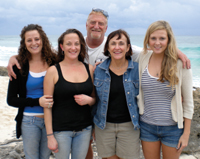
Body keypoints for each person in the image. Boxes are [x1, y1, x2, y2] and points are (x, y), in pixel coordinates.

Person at [137, 20, 194, 159]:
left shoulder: (180, 63)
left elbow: (188, 103)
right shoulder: (142, 57)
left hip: (173, 129)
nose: (157, 42)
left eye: (162, 38)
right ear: (148, 39)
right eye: (153, 38)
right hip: (147, 126)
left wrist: (186, 135)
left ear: (168, 40)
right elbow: (118, 50)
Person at [43, 29, 96, 159]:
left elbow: (95, 98)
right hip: (61, 131)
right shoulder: (53, 71)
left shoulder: (89, 69)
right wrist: (50, 136)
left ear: (81, 46)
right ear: (62, 46)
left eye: (77, 44)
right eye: (69, 44)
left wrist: (89, 100)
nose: (73, 47)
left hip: (84, 130)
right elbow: (47, 106)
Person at [7, 24, 57, 159]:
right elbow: (11, 99)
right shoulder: (19, 66)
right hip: (29, 121)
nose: (33, 43)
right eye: (29, 40)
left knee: (45, 156)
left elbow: (73, 59)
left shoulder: (54, 61)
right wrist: (37, 101)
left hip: (52, 119)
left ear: (43, 40)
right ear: (24, 43)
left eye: (37, 39)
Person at [93, 29, 140, 159]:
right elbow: (94, 100)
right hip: (104, 125)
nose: (117, 47)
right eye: (113, 43)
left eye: (121, 43)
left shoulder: (137, 69)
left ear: (128, 47)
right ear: (107, 47)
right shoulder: (98, 70)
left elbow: (158, 55)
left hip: (129, 125)